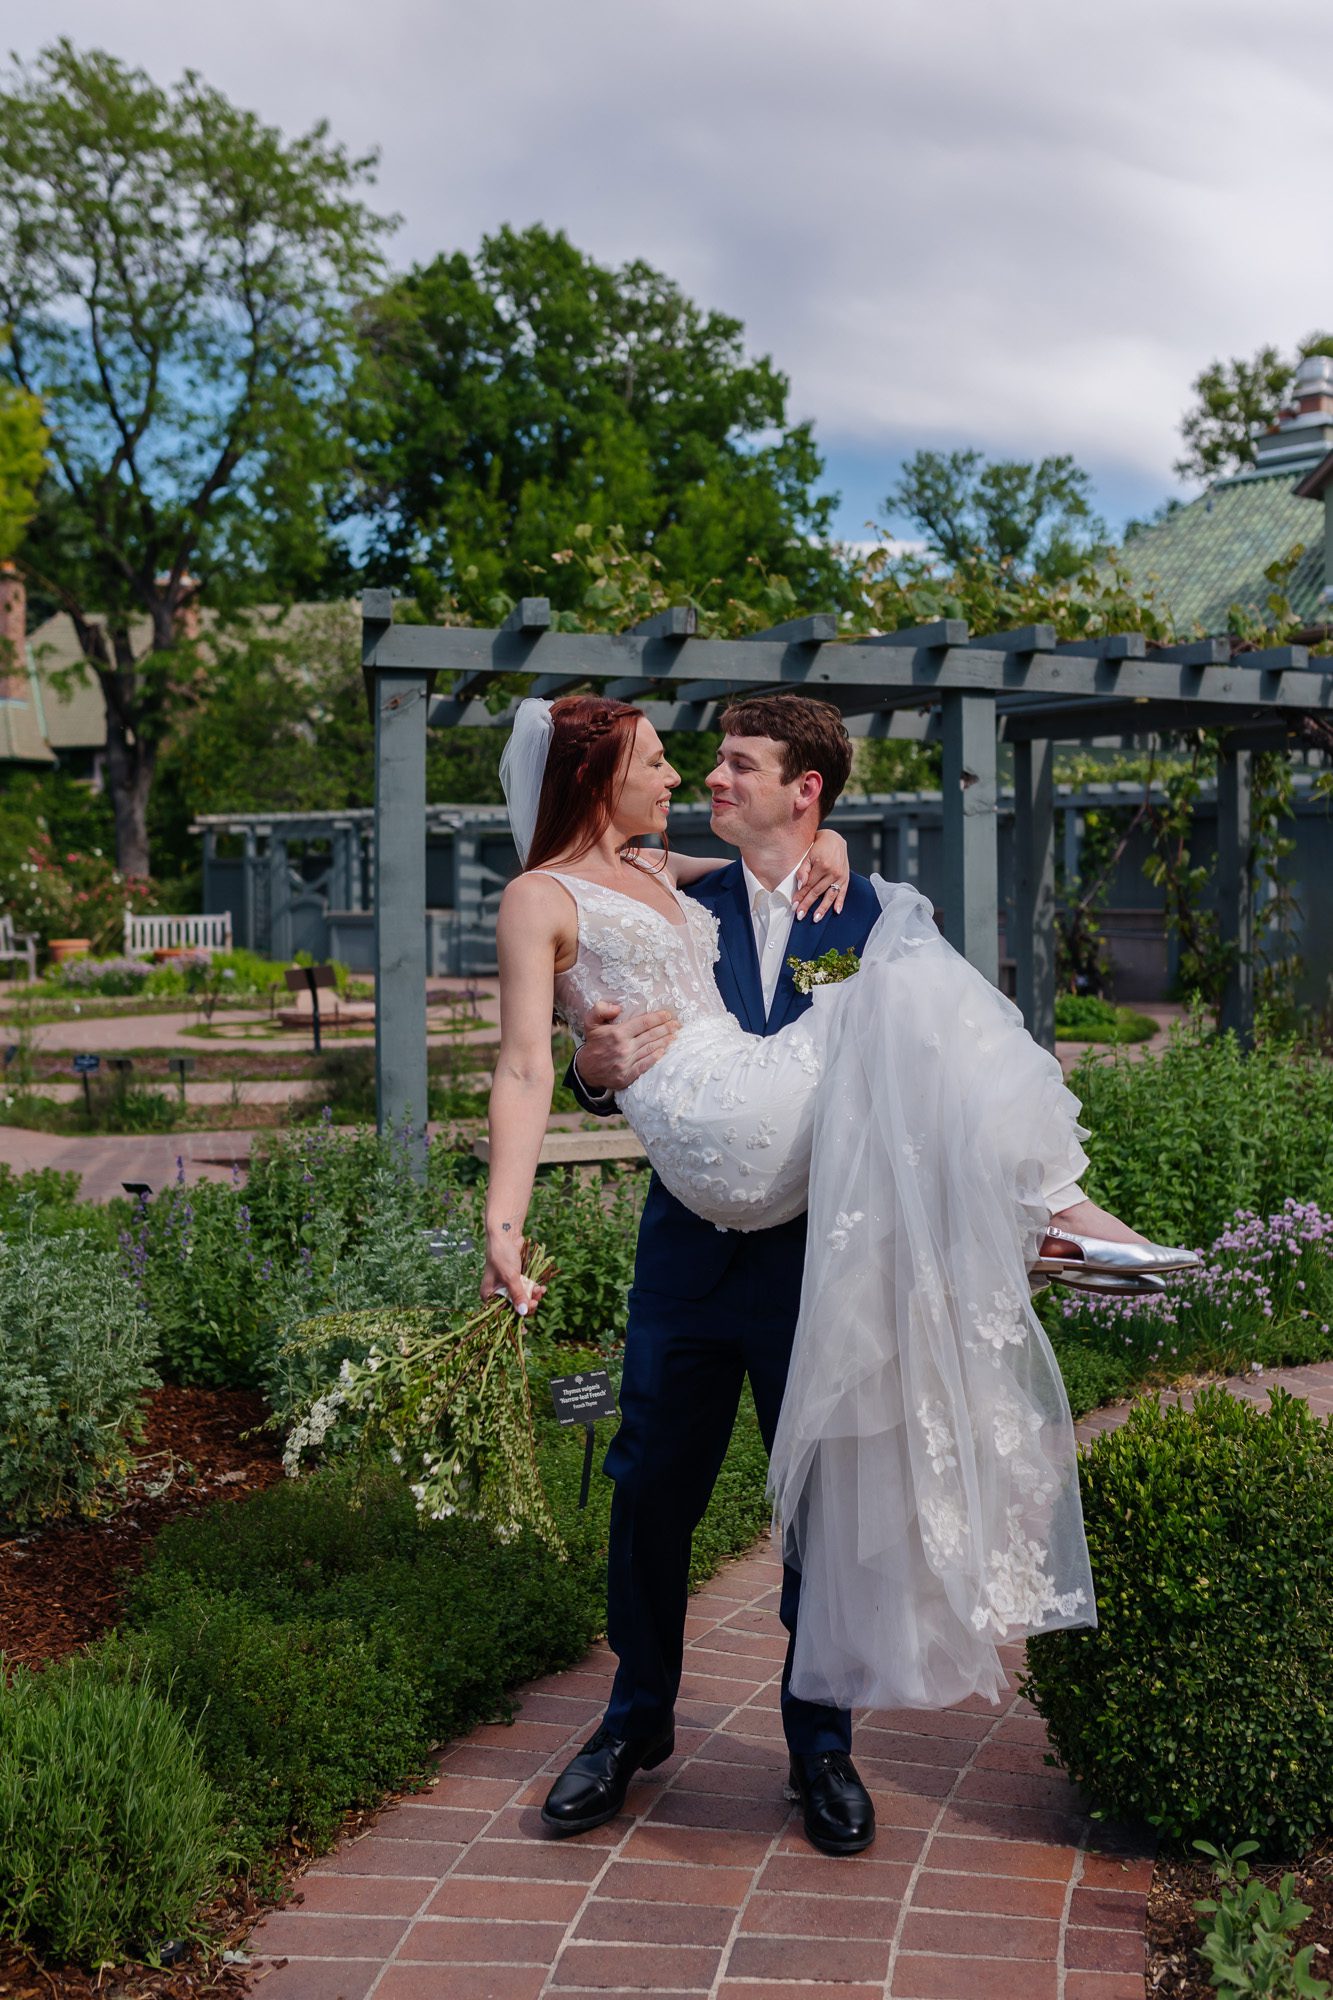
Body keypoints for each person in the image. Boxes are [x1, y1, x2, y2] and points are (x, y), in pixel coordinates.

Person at [482, 691, 1195, 1855]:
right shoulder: (680, 889)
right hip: (690, 1256)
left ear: (804, 792)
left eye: (736, 766)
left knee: (823, 1500)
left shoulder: (855, 909)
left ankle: (819, 1745)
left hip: (821, 1258)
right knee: (649, 1484)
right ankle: (633, 1719)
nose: (706, 780)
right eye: (690, 763)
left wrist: (831, 849)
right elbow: (584, 990)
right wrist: (589, 1065)